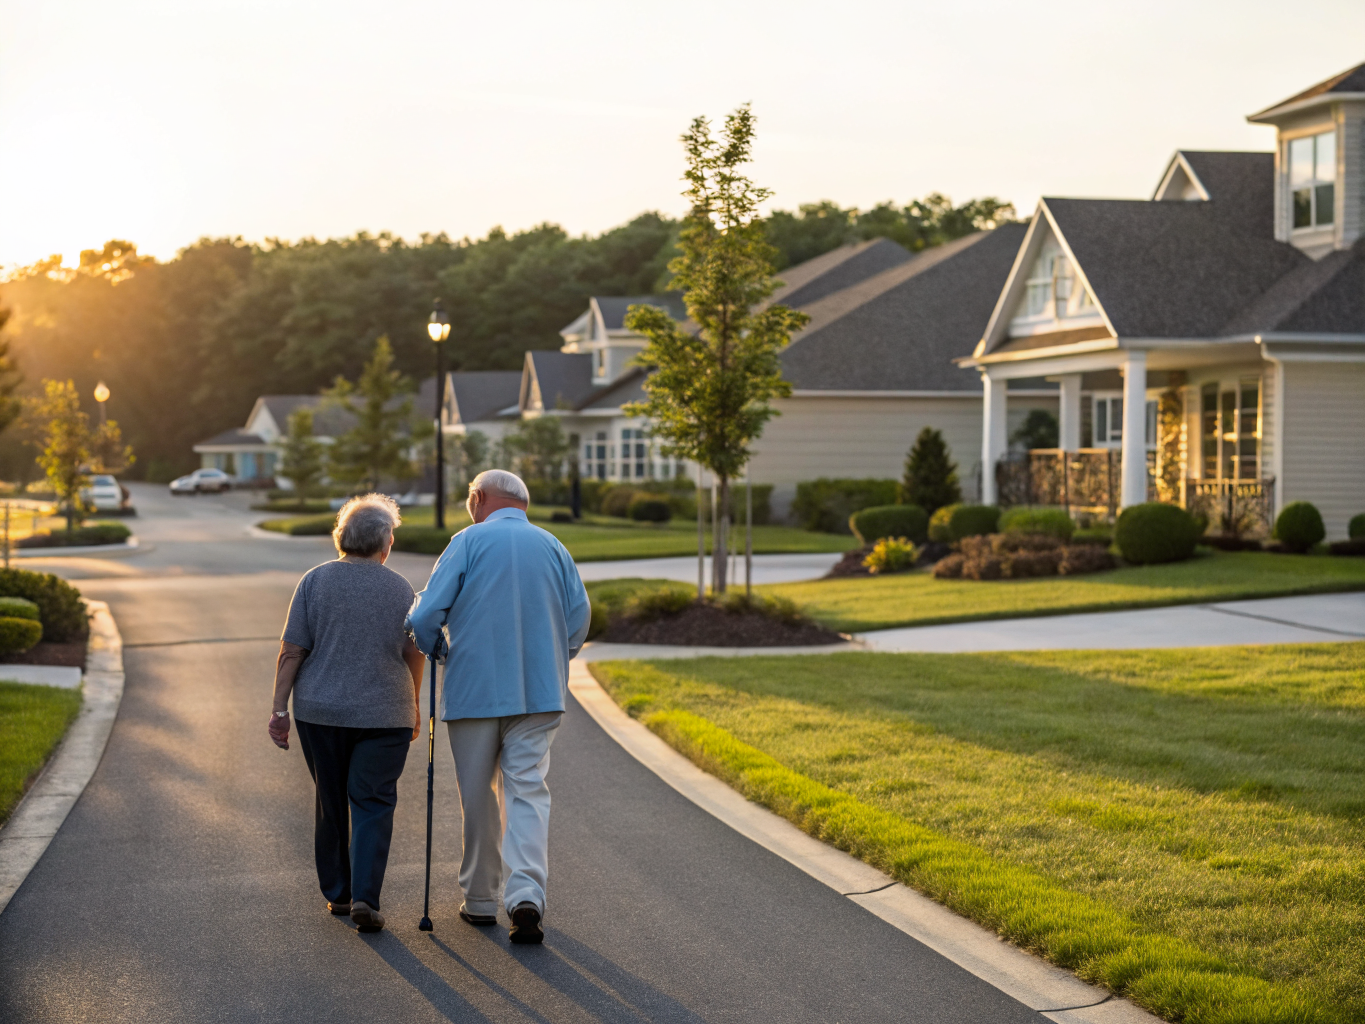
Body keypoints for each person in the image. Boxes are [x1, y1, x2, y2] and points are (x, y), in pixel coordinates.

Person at [407, 469, 591, 944]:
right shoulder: (554, 546)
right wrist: (556, 657)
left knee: (478, 794)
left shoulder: (467, 541)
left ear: (479, 498)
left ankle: (481, 900)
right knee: (527, 789)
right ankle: (526, 895)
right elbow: (578, 618)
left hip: (475, 691)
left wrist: (438, 649)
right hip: (539, 692)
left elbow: (425, 615)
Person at [268, 493, 425, 934]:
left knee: (332, 798)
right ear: (385, 543)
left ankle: (339, 894)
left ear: (341, 537)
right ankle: (365, 897)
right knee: (373, 801)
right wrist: (412, 704)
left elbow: (292, 650)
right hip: (385, 714)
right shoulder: (401, 590)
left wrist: (279, 709)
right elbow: (414, 652)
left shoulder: (314, 582)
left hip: (321, 712)